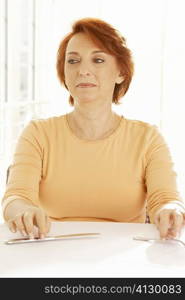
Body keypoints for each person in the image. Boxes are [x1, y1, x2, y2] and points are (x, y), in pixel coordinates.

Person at [1, 18, 185, 240]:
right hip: (49, 249)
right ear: (64, 75)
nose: (83, 70)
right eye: (73, 61)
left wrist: (170, 209)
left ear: (121, 73)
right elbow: (16, 197)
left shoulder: (148, 138)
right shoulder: (38, 133)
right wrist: (22, 211)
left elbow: (165, 198)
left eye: (98, 60)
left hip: (123, 257)